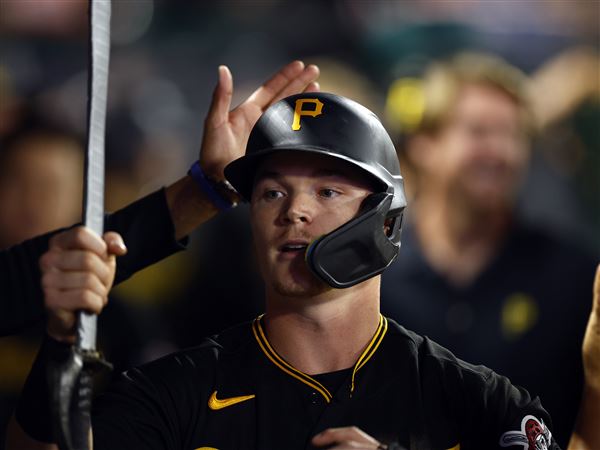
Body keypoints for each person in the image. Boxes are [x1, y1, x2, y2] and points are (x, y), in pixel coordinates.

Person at [8, 65, 599, 450]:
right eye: (271, 192)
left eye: (329, 191)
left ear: (385, 221)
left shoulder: (471, 397)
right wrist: (59, 349)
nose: (294, 211)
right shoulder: (176, 391)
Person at [0, 61, 320, 338]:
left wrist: (211, 188)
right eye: (19, 182)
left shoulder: (121, 326)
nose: (33, 203)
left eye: (51, 187)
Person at [380, 53, 599, 447]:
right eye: (480, 132)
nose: (501, 153)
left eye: (514, 135)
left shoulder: (572, 276)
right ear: (424, 144)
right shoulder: (370, 270)